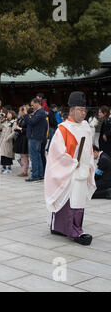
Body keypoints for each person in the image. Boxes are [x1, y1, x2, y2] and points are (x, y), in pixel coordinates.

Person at [44, 91, 96, 246]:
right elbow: (56, 153)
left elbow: (88, 147)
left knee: (78, 199)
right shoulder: (63, 129)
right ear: (72, 110)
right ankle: (70, 229)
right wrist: (72, 162)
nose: (83, 112)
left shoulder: (85, 127)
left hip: (82, 169)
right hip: (69, 171)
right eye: (80, 109)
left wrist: (90, 159)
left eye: (84, 109)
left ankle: (70, 227)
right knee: (70, 199)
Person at [25, 98, 47, 182]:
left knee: (34, 157)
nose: (32, 106)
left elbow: (31, 122)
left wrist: (26, 115)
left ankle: (35, 176)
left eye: (32, 104)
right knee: (37, 156)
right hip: (36, 137)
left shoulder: (40, 112)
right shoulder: (39, 112)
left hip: (35, 137)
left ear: (37, 103)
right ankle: (40, 174)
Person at [13, 106, 30, 177]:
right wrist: (16, 128)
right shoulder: (20, 119)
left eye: (20, 111)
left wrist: (19, 128)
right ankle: (24, 170)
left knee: (25, 155)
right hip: (20, 138)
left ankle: (25, 171)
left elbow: (28, 129)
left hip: (25, 139)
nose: (19, 112)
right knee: (22, 155)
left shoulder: (27, 119)